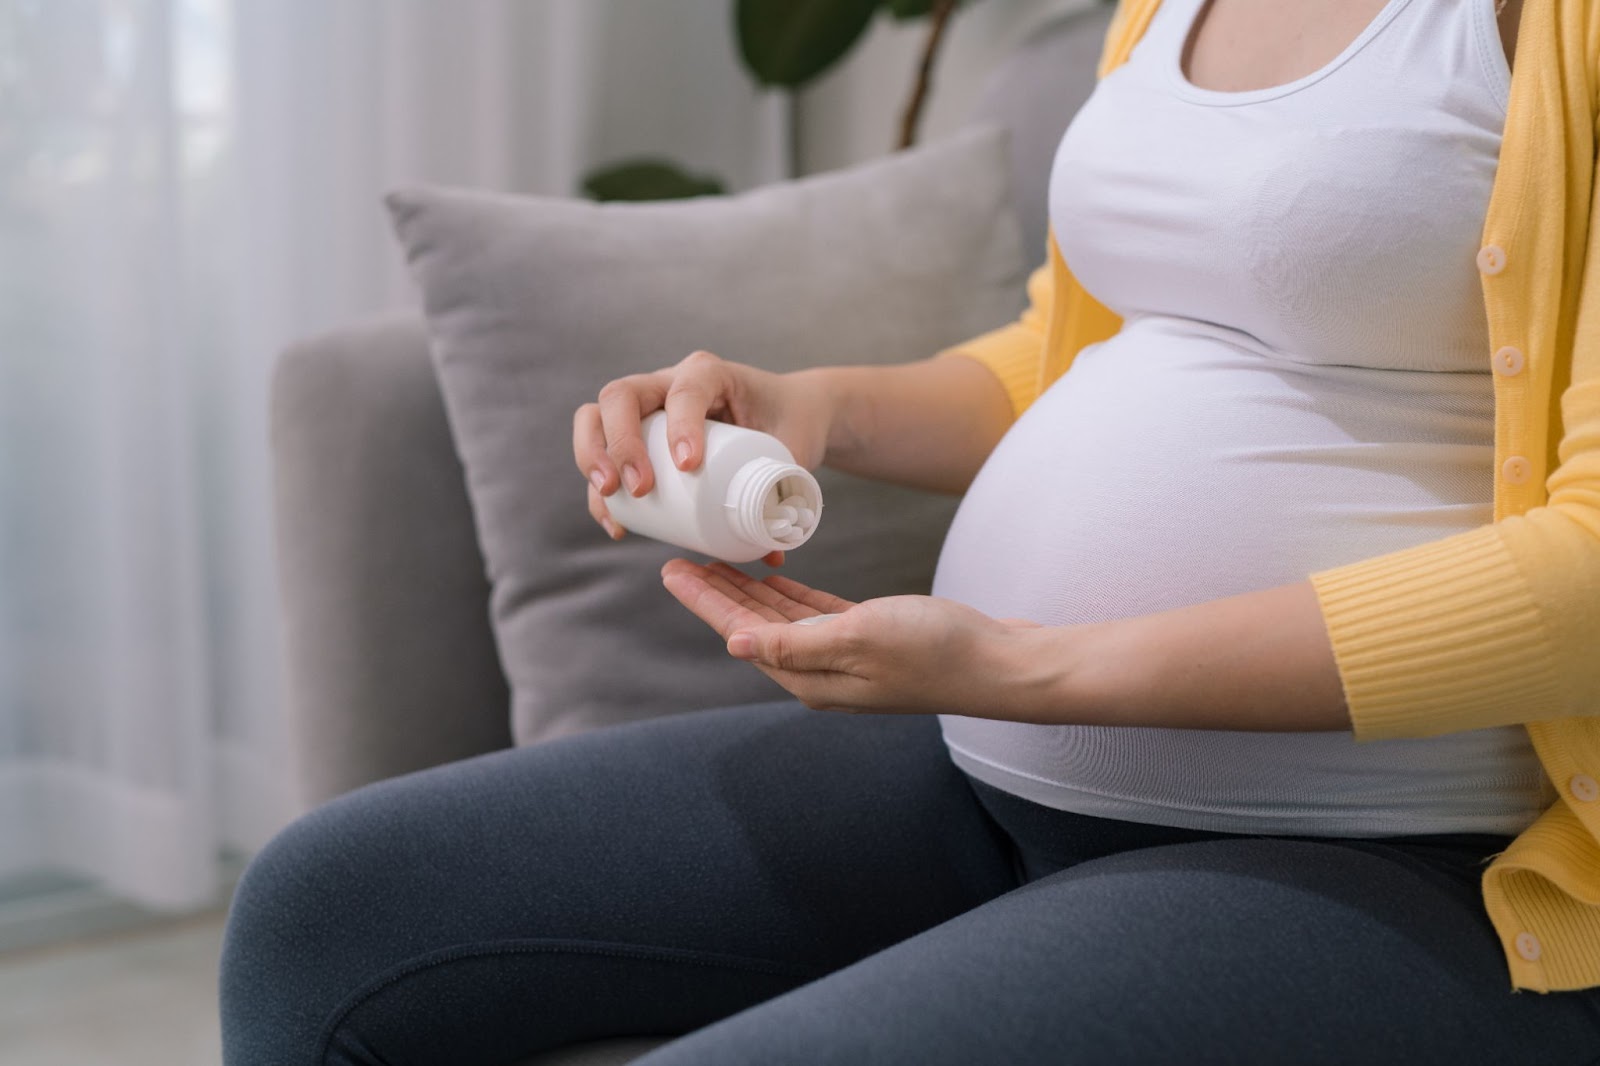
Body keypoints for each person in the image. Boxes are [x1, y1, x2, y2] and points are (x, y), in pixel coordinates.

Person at [220, 0, 1600, 1062]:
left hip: (1410, 856)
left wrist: (1036, 667)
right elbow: (1082, 352)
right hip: (993, 773)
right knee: (322, 915)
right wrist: (815, 406)